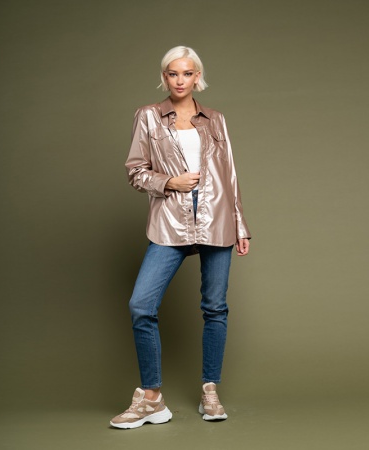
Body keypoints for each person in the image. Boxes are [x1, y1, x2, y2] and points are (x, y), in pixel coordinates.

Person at [110, 46, 251, 429]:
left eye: (187, 73)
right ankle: (152, 399)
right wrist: (169, 182)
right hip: (170, 221)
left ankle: (210, 390)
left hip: (216, 219)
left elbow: (230, 174)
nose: (180, 80)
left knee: (215, 307)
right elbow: (136, 171)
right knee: (141, 305)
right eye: (173, 73)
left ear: (197, 77)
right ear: (165, 76)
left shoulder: (216, 119)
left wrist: (240, 225)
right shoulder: (148, 116)